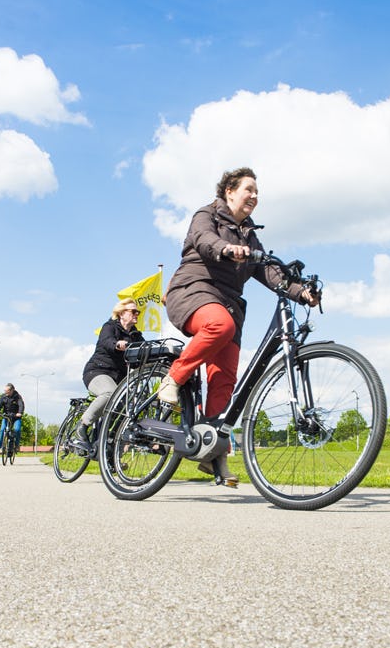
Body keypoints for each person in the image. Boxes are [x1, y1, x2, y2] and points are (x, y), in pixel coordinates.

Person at [158, 167, 320, 485]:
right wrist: (226, 248)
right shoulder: (207, 215)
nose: (255, 197)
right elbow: (204, 241)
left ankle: (212, 456)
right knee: (220, 325)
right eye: (249, 189)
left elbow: (269, 273)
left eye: (257, 192)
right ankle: (172, 379)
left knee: (225, 381)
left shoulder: (249, 233)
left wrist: (301, 292)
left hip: (230, 308)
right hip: (193, 291)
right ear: (230, 190)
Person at [74, 298, 145, 454]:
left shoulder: (136, 335)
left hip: (118, 380)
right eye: (133, 311)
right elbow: (107, 342)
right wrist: (118, 344)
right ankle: (82, 426)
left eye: (137, 312)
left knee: (126, 410)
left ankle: (109, 451)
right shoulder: (109, 327)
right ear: (121, 313)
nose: (136, 314)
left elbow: (145, 350)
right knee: (110, 393)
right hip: (97, 372)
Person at [0, 383, 25, 454]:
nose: (5, 392)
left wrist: (20, 412)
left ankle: (17, 445)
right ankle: (1, 448)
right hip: (6, 416)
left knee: (17, 429)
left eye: (7, 391)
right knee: (2, 430)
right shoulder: (3, 396)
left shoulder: (17, 397)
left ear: (12, 390)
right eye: (5, 391)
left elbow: (21, 405)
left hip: (16, 417)